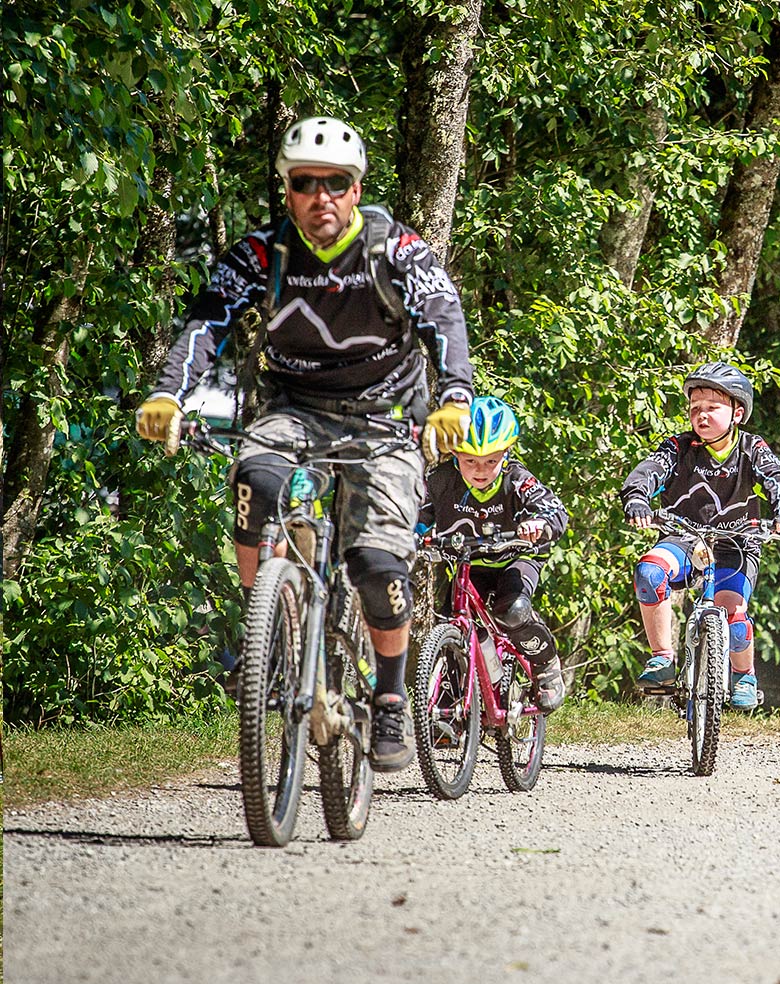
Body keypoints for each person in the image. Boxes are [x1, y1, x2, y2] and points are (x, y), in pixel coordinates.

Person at [135, 116, 474, 772]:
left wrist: (454, 398)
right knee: (255, 480)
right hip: (294, 410)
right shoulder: (263, 255)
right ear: (288, 189)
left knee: (377, 569)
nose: (322, 196)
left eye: (337, 183)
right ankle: (268, 631)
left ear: (356, 188)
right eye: (306, 182)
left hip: (387, 419)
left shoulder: (394, 250)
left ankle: (391, 697)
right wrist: (168, 393)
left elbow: (444, 316)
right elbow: (207, 323)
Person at [619, 363, 780, 709]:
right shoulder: (678, 447)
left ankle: (744, 675)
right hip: (684, 538)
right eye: (694, 409)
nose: (701, 416)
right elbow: (647, 472)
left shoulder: (752, 448)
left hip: (737, 543)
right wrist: (637, 499)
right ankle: (662, 659)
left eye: (712, 408)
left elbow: (778, 478)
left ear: (738, 413)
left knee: (734, 614)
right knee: (649, 573)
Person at [416, 396, 570, 710]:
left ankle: (546, 664)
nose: (481, 470)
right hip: (467, 564)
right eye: (471, 460)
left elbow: (556, 512)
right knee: (452, 623)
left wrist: (538, 523)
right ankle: (450, 708)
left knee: (511, 611)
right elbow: (415, 514)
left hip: (515, 558)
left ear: (506, 454)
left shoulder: (518, 480)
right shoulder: (439, 481)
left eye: (491, 460)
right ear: (455, 453)